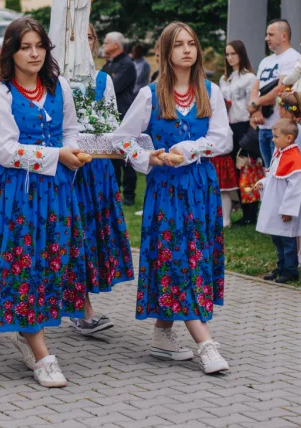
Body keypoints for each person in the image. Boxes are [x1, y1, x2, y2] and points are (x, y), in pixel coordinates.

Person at [113, 21, 233, 375]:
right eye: (179, 44)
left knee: (192, 257)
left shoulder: (210, 90)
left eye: (191, 43)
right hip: (166, 190)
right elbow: (121, 139)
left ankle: (163, 334)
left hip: (200, 186)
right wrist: (147, 157)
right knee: (178, 258)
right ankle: (205, 343)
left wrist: (189, 148)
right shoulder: (150, 94)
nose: (187, 50)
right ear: (166, 51)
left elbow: (223, 138)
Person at [0, 17, 89, 387]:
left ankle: (27, 334)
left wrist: (72, 151)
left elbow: (70, 129)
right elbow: (4, 150)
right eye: (25, 47)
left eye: (39, 46)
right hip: (15, 192)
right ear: (11, 52)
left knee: (48, 263)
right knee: (22, 265)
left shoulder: (59, 86)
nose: (34, 53)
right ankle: (42, 354)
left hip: (55, 189)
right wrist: (57, 155)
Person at [69, 24, 134, 336]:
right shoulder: (57, 78)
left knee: (93, 234)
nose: (84, 43)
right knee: (74, 233)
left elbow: (109, 120)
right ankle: (82, 309)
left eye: (89, 38)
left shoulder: (104, 79)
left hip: (98, 167)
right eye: (76, 37)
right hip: (69, 165)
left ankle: (80, 305)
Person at [254, 119, 301, 284]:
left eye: (276, 137)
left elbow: (295, 189)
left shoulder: (294, 159)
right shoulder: (279, 154)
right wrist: (263, 183)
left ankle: (291, 270)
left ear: (289, 138)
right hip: (276, 203)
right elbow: (274, 176)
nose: (273, 140)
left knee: (287, 240)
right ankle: (281, 267)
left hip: (285, 209)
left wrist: (288, 210)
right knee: (277, 238)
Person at [249, 20, 301, 167]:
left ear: (284, 36)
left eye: (271, 34)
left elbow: (282, 89)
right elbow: (255, 89)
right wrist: (255, 111)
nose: (266, 38)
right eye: (267, 34)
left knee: (281, 171)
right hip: (263, 127)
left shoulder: (293, 58)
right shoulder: (265, 61)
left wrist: (256, 104)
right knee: (268, 172)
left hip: (283, 129)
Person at [276, 91, 301, 268]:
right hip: (296, 179)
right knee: (298, 217)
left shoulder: (297, 131)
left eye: (279, 107)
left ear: (285, 109)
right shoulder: (293, 128)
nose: (277, 111)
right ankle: (299, 253)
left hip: (300, 180)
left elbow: (300, 158)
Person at [220, 40, 257, 226]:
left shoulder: (250, 77)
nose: (230, 57)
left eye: (233, 53)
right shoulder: (224, 79)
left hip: (245, 124)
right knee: (235, 169)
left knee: (247, 169)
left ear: (241, 54)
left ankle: (251, 213)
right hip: (229, 126)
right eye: (227, 54)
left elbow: (253, 103)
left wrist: (252, 126)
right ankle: (243, 210)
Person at [102, 31, 139, 204]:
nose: (104, 45)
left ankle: (129, 194)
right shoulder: (109, 64)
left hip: (123, 114)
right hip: (109, 115)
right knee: (112, 156)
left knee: (127, 155)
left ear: (116, 44)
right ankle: (114, 192)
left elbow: (111, 87)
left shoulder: (127, 64)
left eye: (106, 42)